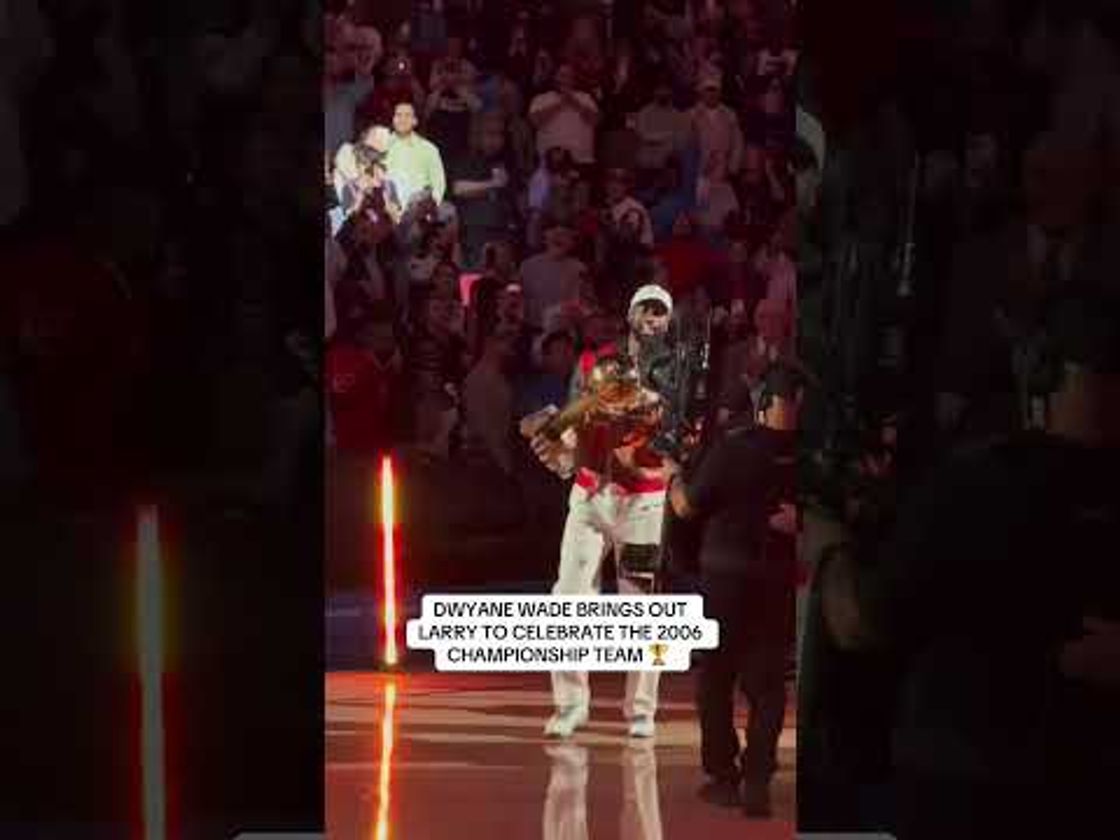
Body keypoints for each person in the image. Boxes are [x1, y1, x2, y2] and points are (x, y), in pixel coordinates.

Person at [818, 292, 1120, 839]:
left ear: (1042, 375)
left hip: (960, 788)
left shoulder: (971, 486)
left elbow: (861, 624)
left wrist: (830, 545)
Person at [526, 285, 677, 739]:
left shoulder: (676, 369)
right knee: (568, 599)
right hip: (591, 495)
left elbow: (678, 427)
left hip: (645, 501)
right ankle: (570, 705)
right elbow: (571, 420)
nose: (652, 320)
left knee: (643, 607)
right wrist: (559, 444)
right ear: (630, 314)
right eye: (645, 311)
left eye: (660, 314)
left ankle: (641, 711)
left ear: (668, 322)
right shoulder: (593, 362)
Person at [665, 362, 802, 818]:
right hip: (774, 581)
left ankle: (724, 777)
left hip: (724, 580)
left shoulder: (731, 449)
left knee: (716, 680)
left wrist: (673, 477)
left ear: (763, 403)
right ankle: (758, 778)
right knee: (766, 686)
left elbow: (686, 508)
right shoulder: (810, 457)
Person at [384, 100, 447, 207]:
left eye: (407, 115)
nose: (402, 120)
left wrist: (429, 207)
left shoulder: (429, 149)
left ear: (415, 121)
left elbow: (438, 185)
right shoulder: (381, 145)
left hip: (418, 208)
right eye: (398, 115)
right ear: (393, 119)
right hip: (386, 207)